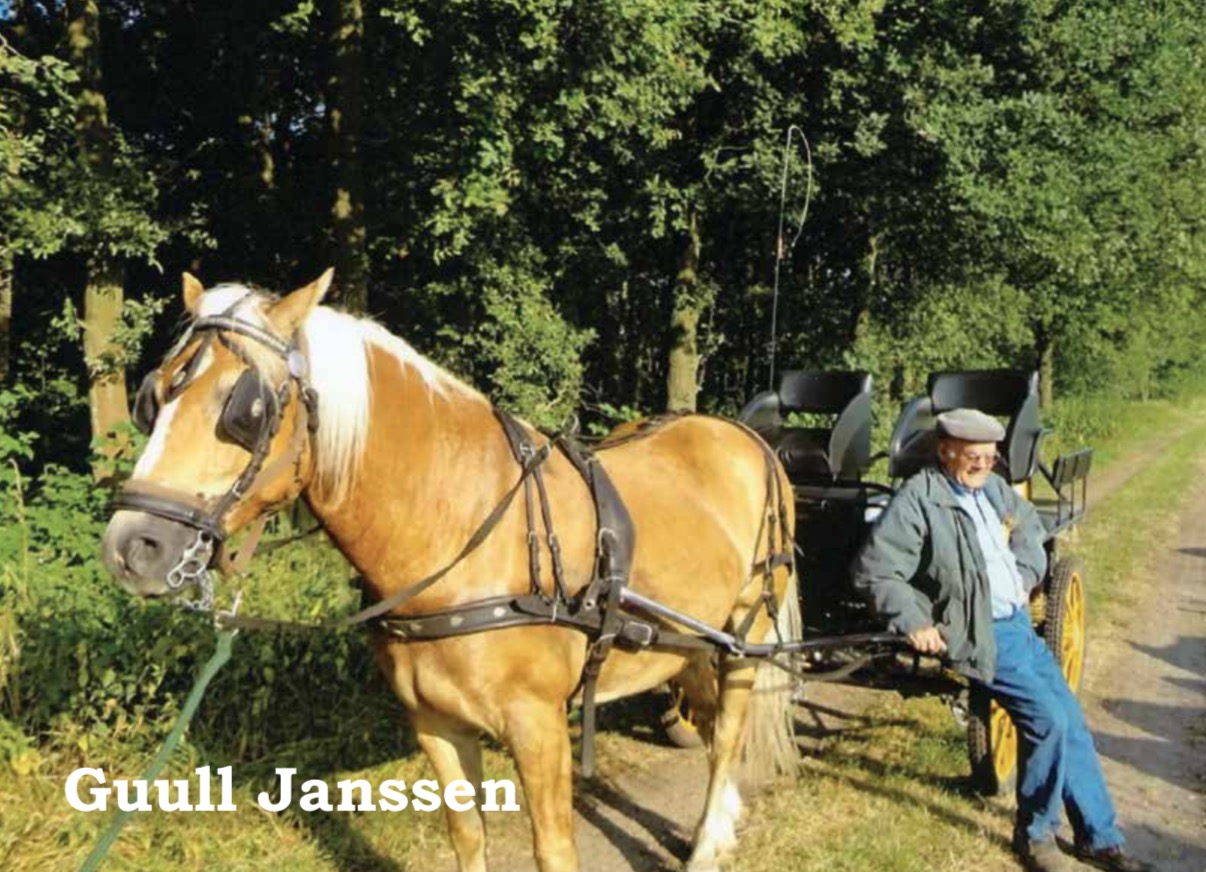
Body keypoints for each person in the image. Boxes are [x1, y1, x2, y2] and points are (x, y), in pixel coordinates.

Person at [852, 408, 1154, 872]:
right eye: (972, 456)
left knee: (1071, 720)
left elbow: (1029, 526)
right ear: (944, 451)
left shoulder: (992, 489)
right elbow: (877, 571)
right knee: (1048, 721)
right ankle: (1035, 837)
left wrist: (1025, 572)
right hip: (978, 631)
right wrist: (914, 620)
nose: (983, 465)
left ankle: (1098, 837)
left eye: (990, 457)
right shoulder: (919, 499)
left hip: (1017, 625)